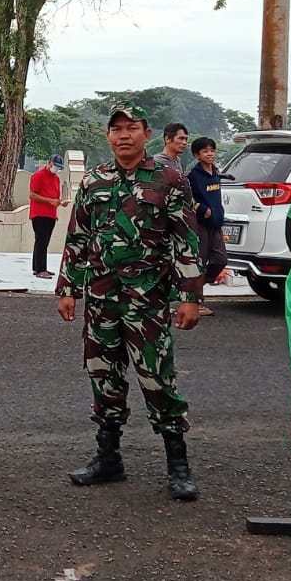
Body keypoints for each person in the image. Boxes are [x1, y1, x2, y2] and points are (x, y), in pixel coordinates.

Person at [56, 104, 203, 500]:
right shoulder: (93, 181)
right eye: (116, 129)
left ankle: (178, 463)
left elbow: (186, 240)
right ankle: (108, 458)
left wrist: (190, 296)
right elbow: (77, 238)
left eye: (131, 128)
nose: (124, 135)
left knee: (157, 380)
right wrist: (67, 288)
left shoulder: (169, 180)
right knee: (104, 377)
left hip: (147, 302)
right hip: (102, 300)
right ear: (108, 136)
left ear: (146, 133)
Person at [187, 136, 228, 316]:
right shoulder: (194, 176)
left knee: (220, 260)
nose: (210, 154)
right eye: (205, 151)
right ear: (197, 155)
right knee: (200, 263)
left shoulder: (215, 173)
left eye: (212, 150)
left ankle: (193, 289)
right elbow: (187, 198)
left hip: (216, 225)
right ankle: (196, 301)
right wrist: (204, 210)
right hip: (202, 225)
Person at [28, 155, 68, 279]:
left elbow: (54, 197)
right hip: (39, 214)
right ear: (49, 163)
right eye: (55, 166)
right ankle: (40, 269)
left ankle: (38, 267)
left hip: (51, 214)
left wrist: (60, 202)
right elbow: (32, 195)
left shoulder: (56, 179)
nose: (56, 169)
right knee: (41, 241)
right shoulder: (38, 176)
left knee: (44, 242)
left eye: (59, 167)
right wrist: (50, 201)